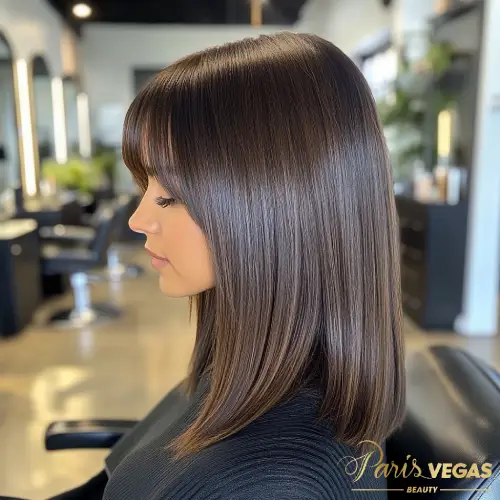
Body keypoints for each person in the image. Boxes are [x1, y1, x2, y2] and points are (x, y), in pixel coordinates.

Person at [54, 31, 406, 500]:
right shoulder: (244, 372)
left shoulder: (269, 486)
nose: (139, 219)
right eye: (146, 187)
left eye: (170, 196)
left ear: (279, 209)